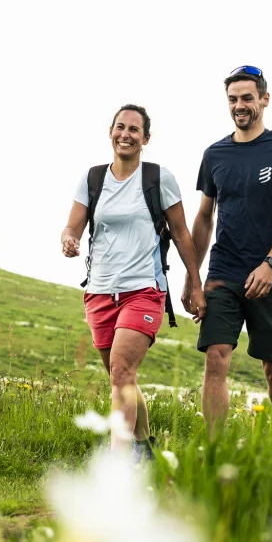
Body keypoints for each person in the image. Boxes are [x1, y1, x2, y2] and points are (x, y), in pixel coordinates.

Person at [61, 103, 206, 457]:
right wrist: (69, 239)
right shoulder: (93, 178)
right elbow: (73, 225)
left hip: (143, 289)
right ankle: (144, 449)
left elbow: (181, 231)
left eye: (133, 130)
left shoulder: (158, 178)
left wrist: (195, 281)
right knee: (120, 377)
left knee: (122, 372)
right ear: (111, 131)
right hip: (98, 291)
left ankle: (120, 463)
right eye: (120, 127)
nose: (125, 135)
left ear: (145, 138)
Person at [182, 66, 272, 429]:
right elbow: (204, 218)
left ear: (264, 100)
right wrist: (193, 277)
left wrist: (271, 263)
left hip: (270, 275)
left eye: (247, 98)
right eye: (233, 99)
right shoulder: (215, 154)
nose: (240, 105)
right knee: (216, 357)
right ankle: (217, 451)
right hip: (223, 273)